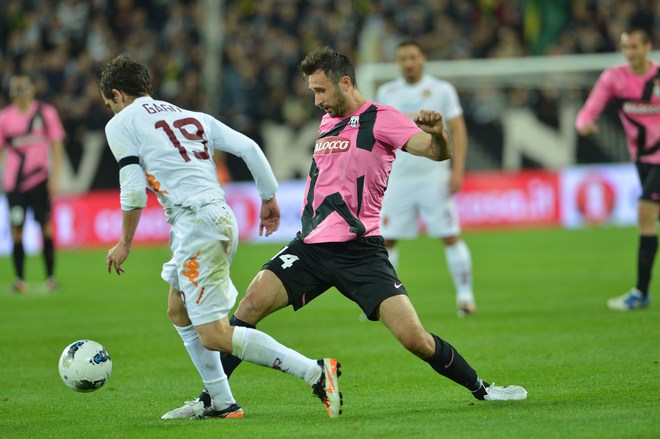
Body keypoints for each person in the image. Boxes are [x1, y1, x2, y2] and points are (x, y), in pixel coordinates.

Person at [166, 46, 526, 417]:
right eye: (313, 92)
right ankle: (211, 400)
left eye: (321, 91)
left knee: (414, 339)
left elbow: (436, 151)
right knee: (250, 305)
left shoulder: (382, 118)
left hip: (361, 251)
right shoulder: (328, 122)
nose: (317, 100)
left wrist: (439, 134)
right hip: (310, 247)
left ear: (346, 83)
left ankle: (483, 389)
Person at [99, 55, 342, 419]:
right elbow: (249, 148)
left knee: (214, 334)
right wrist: (268, 196)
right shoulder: (192, 116)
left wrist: (125, 242)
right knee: (178, 309)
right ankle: (221, 401)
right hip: (215, 217)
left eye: (108, 105)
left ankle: (315, 371)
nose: (110, 112)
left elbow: (133, 190)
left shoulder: (122, 123)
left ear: (116, 94)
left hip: (197, 224)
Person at [376, 40, 475, 317]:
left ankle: (465, 297)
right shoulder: (387, 91)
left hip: (434, 177)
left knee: (450, 236)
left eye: (413, 57)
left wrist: (457, 170)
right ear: (398, 62)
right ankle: (385, 303)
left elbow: (458, 131)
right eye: (403, 58)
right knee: (387, 242)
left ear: (423, 58)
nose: (408, 63)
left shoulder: (442, 90)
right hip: (398, 180)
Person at [576, 27, 659, 311]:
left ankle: (641, 292)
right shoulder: (615, 78)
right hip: (642, 161)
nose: (630, 52)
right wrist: (583, 122)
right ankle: (642, 292)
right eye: (626, 47)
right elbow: (591, 107)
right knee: (648, 220)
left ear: (648, 47)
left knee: (645, 214)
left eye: (635, 46)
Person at [0, 72, 64, 294]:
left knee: (45, 227)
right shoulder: (4, 118)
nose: (20, 93)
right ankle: (19, 280)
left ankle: (51, 278)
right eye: (16, 89)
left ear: (32, 89)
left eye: (24, 87)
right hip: (15, 184)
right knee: (16, 229)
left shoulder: (45, 113)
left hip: (40, 180)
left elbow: (56, 146)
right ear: (10, 93)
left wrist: (55, 178)